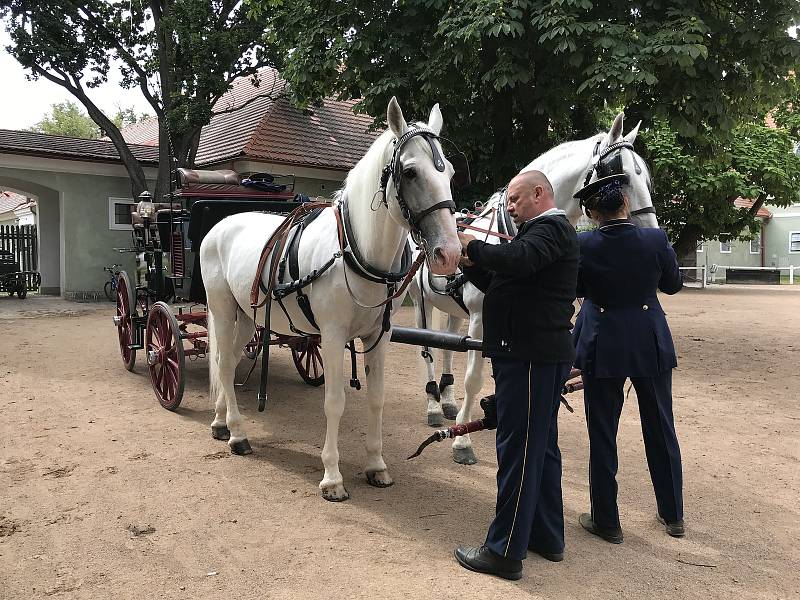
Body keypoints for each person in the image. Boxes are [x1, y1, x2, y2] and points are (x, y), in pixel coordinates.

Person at [453, 170, 578, 580]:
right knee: (539, 450)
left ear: (539, 194)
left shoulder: (551, 229)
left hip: (528, 357)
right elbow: (502, 280)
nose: (509, 207)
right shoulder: (539, 236)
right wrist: (466, 263)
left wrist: (474, 243)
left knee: (519, 451)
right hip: (530, 356)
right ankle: (545, 535)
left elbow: (518, 262)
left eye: (514, 199)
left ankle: (504, 552)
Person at [572, 173, 685, 544]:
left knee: (603, 432)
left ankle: (607, 520)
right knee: (661, 428)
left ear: (592, 212)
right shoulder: (655, 238)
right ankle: (673, 515)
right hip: (648, 340)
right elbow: (672, 285)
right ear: (626, 204)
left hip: (602, 341)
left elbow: (576, 289)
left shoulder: (583, 244)